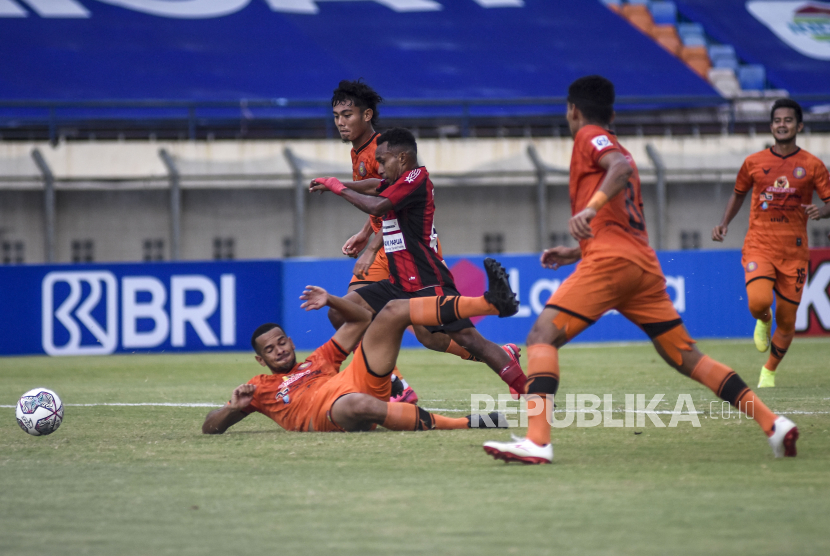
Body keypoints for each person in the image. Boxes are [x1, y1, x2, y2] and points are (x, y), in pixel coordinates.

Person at [483, 75, 799, 464]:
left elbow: (621, 166)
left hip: (613, 263)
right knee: (688, 358)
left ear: (572, 111)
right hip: (640, 267)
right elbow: (622, 224)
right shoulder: (610, 140)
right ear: (614, 113)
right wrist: (577, 250)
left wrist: (589, 209)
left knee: (541, 335)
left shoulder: (589, 137)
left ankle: (537, 441)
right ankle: (774, 424)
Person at [328, 80, 516, 404]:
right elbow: (383, 196)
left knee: (352, 312)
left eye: (347, 114)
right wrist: (364, 232)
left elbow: (384, 201)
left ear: (367, 115)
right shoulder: (361, 152)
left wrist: (372, 247)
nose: (341, 122)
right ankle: (393, 380)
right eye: (336, 116)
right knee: (424, 334)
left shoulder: (381, 152)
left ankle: (394, 384)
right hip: (394, 251)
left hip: (404, 253)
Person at [201, 258, 519, 434]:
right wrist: (232, 407)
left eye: (282, 342)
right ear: (260, 359)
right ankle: (467, 423)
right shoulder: (259, 388)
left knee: (394, 310)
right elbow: (210, 428)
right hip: (329, 412)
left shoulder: (317, 359)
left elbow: (360, 320)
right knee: (358, 405)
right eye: (270, 349)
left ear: (291, 341)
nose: (280, 350)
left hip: (355, 381)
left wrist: (332, 300)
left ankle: (489, 304)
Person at [712, 98, 830, 388]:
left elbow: (829, 201)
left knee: (788, 322)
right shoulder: (753, 162)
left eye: (788, 120)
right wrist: (725, 222)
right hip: (759, 245)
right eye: (777, 120)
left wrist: (821, 210)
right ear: (771, 125)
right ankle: (763, 320)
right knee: (759, 302)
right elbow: (738, 193)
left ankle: (769, 371)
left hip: (795, 252)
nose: (782, 124)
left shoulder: (813, 165)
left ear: (799, 126)